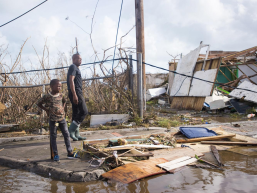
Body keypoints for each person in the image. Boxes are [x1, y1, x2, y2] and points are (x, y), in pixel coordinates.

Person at [37, 79, 78, 161]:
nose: (59, 87)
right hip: (53, 119)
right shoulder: (47, 96)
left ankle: (70, 152)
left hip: (62, 118)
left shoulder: (61, 95)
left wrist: (62, 108)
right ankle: (55, 154)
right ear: (52, 86)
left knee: (66, 134)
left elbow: (64, 102)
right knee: (53, 136)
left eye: (60, 86)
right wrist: (46, 110)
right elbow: (39, 103)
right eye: (58, 86)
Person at [67, 53, 88, 141]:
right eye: (79, 59)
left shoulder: (76, 68)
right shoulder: (73, 67)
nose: (80, 60)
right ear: (74, 59)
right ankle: (71, 130)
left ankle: (76, 134)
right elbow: (71, 80)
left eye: (81, 59)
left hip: (76, 92)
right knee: (84, 111)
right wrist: (75, 94)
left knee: (76, 112)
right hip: (76, 92)